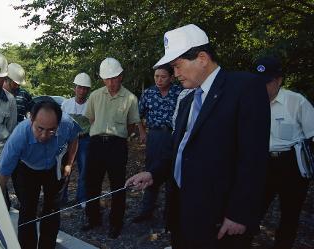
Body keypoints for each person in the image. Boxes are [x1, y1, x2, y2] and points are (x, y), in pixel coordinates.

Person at [126, 24, 270, 249]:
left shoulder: (244, 88)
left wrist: (239, 213)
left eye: (177, 65)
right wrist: (154, 173)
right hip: (182, 213)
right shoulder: (187, 100)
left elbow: (254, 158)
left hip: (219, 220)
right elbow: (179, 150)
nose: (175, 73)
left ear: (202, 57)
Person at [0, 99, 81, 249]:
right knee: (28, 209)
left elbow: (74, 139)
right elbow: (3, 174)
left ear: (58, 124)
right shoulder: (19, 135)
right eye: (39, 128)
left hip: (54, 166)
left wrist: (68, 163)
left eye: (51, 130)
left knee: (52, 209)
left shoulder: (67, 123)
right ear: (31, 119)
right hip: (27, 169)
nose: (44, 135)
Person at [254, 56, 314, 249]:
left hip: (291, 164)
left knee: (290, 212)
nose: (262, 87)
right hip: (262, 163)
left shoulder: (296, 101)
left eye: (267, 82)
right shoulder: (251, 103)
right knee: (253, 207)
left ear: (279, 80)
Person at [82, 57, 146, 239]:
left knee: (118, 186)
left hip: (117, 146)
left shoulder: (130, 98)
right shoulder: (94, 96)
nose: (111, 82)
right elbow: (92, 120)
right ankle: (93, 218)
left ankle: (116, 223)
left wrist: (117, 134)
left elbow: (132, 125)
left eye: (114, 77)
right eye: (107, 78)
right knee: (92, 183)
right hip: (96, 144)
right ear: (102, 79)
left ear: (121, 76)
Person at [132, 64, 182, 223]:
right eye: (156, 76)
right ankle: (146, 211)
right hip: (154, 136)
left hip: (174, 136)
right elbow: (137, 115)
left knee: (172, 174)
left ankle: (170, 215)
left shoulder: (179, 93)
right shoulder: (148, 93)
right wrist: (142, 132)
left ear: (171, 77)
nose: (159, 80)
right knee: (151, 171)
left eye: (163, 77)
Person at [60, 72, 92, 207]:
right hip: (68, 141)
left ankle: (82, 198)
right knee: (64, 168)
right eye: (79, 87)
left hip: (85, 140)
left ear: (88, 90)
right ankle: (61, 198)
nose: (82, 90)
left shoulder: (91, 105)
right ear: (75, 88)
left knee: (85, 169)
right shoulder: (66, 104)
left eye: (85, 88)